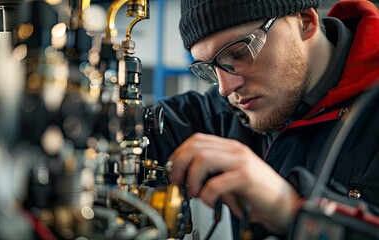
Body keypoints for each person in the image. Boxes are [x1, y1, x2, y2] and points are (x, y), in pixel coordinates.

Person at [146, 0, 379, 239]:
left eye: (239, 53)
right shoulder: (229, 111)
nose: (225, 89)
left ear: (305, 21)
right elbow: (134, 133)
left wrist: (289, 208)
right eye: (211, 69)